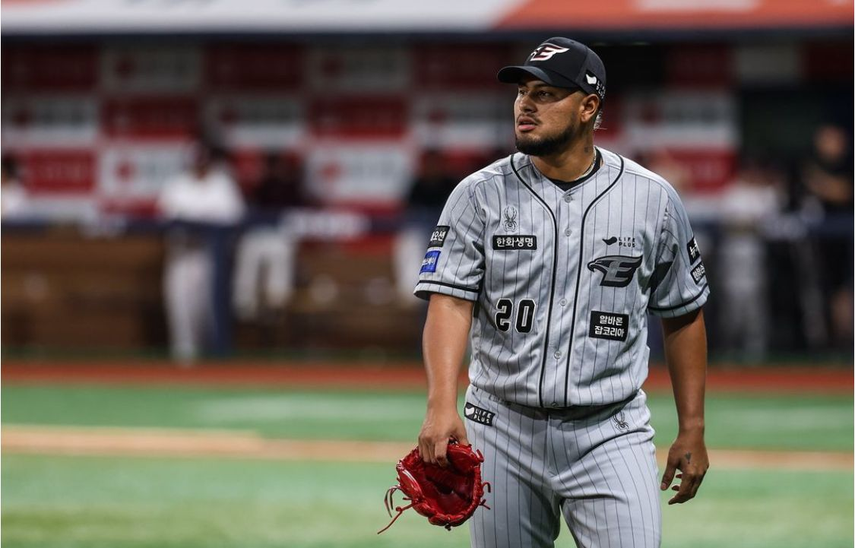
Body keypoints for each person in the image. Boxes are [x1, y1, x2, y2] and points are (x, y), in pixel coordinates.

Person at [413, 37, 710, 548]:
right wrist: (441, 403)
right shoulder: (477, 194)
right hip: (500, 427)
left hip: (610, 429)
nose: (526, 104)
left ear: (589, 107)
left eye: (547, 93)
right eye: (523, 91)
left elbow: (683, 312)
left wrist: (693, 426)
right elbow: (450, 302)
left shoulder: (651, 198)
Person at [157, 143, 245, 363]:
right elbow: (166, 216)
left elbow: (233, 216)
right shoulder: (177, 184)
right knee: (181, 310)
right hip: (181, 253)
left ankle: (211, 363)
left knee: (209, 311)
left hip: (210, 256)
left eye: (203, 162)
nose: (199, 167)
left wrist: (197, 218)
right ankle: (184, 361)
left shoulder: (222, 183)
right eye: (196, 163)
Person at [233, 151, 308, 323]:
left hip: (281, 235)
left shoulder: (291, 185)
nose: (274, 170)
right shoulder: (261, 185)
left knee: (281, 253)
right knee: (247, 251)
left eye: (277, 165)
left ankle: (277, 305)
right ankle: (245, 306)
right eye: (271, 166)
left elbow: (300, 208)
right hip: (258, 234)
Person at [393, 149, 460, 305]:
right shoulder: (416, 185)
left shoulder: (451, 184)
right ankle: (412, 291)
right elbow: (408, 216)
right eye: (429, 163)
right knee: (410, 240)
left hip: (446, 234)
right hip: (422, 235)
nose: (432, 167)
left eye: (435, 163)